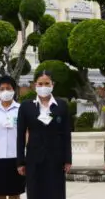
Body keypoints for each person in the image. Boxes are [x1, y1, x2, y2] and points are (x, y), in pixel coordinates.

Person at [17, 70, 73, 199]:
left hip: (56, 158)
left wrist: (68, 159)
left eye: (47, 83)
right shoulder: (26, 107)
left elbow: (66, 134)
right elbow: (20, 136)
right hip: (34, 158)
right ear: (35, 85)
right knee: (35, 192)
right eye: (40, 84)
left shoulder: (61, 105)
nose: (43, 87)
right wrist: (20, 162)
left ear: (52, 84)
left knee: (55, 192)